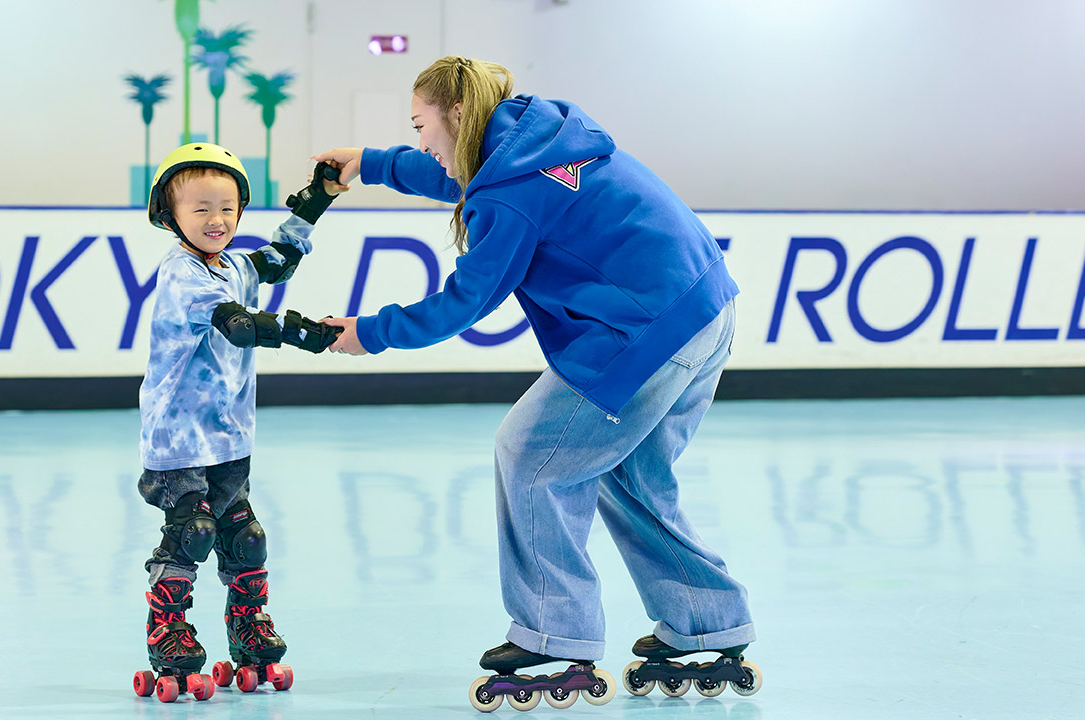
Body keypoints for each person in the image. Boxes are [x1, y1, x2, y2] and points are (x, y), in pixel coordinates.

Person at [316, 56, 759, 703]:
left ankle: (556, 636)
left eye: (421, 127)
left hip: (644, 330)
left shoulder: (511, 190)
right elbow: (459, 172)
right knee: (628, 474)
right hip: (703, 307)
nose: (420, 144)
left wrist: (368, 332)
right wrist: (369, 162)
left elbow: (466, 299)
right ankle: (707, 620)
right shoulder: (534, 138)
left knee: (530, 455)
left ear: (458, 116)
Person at [132, 142, 342, 702]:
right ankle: (168, 634)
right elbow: (240, 325)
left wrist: (315, 201)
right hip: (178, 440)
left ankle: (247, 632)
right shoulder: (182, 273)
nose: (216, 219)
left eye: (226, 207)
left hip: (227, 437)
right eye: (200, 208)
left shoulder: (231, 267)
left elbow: (276, 261)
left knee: (245, 539)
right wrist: (308, 333)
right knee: (191, 533)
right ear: (169, 214)